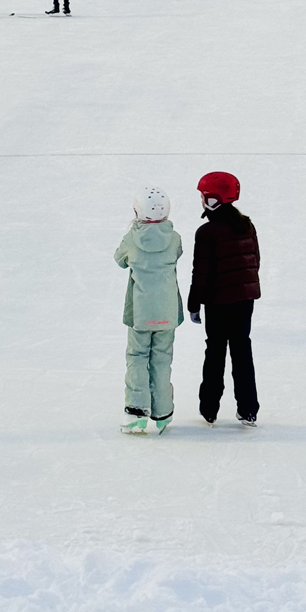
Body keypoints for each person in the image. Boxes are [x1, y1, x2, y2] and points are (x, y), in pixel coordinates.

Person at [189, 171, 262, 427]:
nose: (201, 200)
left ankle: (209, 408)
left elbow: (201, 273)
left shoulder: (207, 232)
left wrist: (194, 304)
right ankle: (248, 409)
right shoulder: (246, 225)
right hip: (244, 301)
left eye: (203, 196)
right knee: (242, 350)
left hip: (218, 303)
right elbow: (255, 262)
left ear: (213, 200)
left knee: (216, 351)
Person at [115, 186, 183, 435]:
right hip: (167, 312)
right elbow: (177, 254)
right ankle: (163, 413)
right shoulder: (174, 238)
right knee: (163, 361)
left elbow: (119, 259)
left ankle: (136, 413)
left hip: (141, 314)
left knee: (137, 358)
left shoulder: (132, 237)